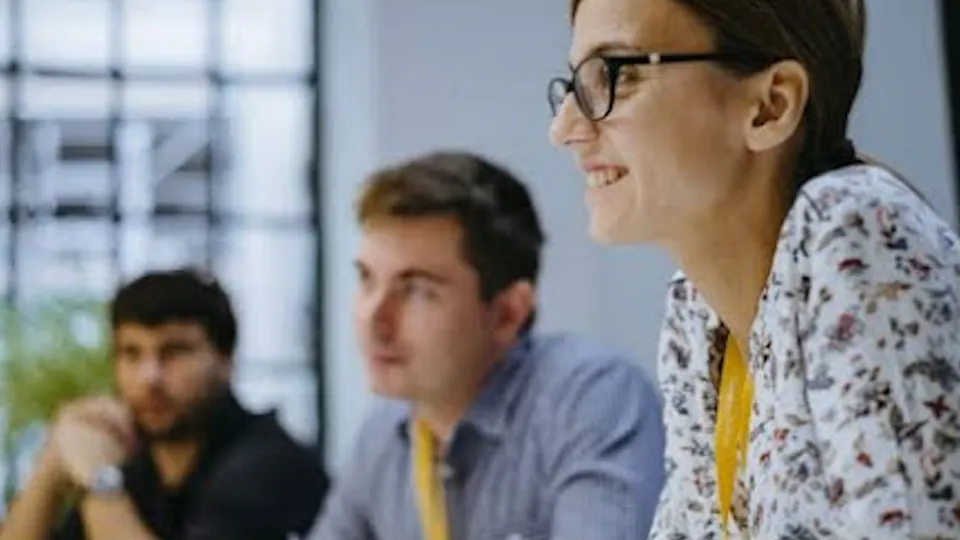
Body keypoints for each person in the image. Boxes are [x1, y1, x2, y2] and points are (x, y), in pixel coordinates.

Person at [548, 0, 960, 538]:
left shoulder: (855, 228)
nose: (565, 127)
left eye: (616, 74)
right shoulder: (695, 312)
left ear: (770, 106)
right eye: (575, 84)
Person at [310, 151, 665, 539]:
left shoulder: (594, 400)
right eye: (366, 280)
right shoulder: (383, 432)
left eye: (416, 290)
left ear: (507, 315)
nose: (374, 320)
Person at [0, 269, 329, 540]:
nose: (150, 377)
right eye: (131, 354)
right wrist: (53, 462)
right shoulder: (138, 468)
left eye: (174, 352)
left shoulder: (269, 465)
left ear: (226, 360)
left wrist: (99, 480)